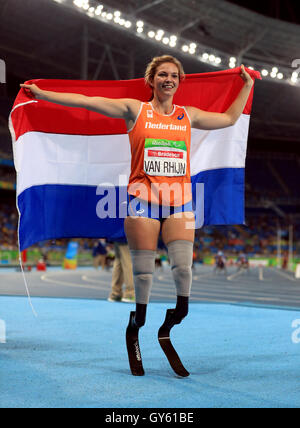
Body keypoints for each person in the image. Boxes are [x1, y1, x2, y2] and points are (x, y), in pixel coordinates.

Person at [21, 55, 253, 374]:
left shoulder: (188, 115)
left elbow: (228, 119)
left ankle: (170, 324)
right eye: (162, 75)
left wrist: (247, 85)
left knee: (183, 271)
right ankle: (137, 324)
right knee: (143, 276)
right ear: (152, 80)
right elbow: (89, 102)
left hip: (180, 203)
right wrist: (44, 94)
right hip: (143, 202)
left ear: (179, 81)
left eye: (173, 75)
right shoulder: (135, 110)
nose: (168, 79)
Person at [108, 238, 135, 303]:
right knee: (127, 260)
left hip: (116, 233)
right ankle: (130, 294)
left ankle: (115, 293)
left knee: (119, 261)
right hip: (124, 233)